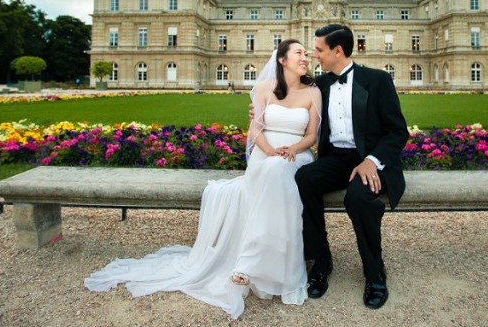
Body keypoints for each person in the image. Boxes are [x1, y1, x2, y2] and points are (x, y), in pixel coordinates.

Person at [84, 39, 322, 320]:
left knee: (277, 173)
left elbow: (311, 135)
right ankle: (269, 267)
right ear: (282, 60)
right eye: (299, 53)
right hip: (266, 155)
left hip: (297, 156)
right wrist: (271, 153)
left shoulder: (312, 91)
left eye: (306, 53)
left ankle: (248, 262)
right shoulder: (263, 89)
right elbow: (255, 130)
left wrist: (290, 151)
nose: (305, 57)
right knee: (272, 171)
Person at [295, 24, 408, 310]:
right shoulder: (319, 85)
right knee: (305, 178)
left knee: (357, 197)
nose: (315, 55)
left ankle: (374, 272)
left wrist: (371, 161)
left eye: (319, 50)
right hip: (337, 158)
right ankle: (321, 260)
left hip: (371, 158)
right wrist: (259, 110)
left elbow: (397, 131)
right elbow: (287, 94)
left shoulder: (377, 80)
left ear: (338, 50)